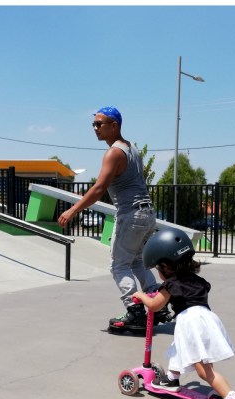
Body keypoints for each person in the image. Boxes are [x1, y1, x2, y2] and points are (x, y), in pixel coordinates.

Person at [132, 227, 235, 399]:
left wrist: (142, 296)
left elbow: (154, 306)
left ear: (166, 267)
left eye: (157, 269)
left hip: (191, 321)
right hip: (206, 318)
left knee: (203, 370)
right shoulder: (196, 281)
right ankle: (171, 377)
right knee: (179, 348)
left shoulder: (170, 284)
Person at [58, 106, 164, 331]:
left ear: (114, 126)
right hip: (147, 213)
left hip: (131, 214)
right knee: (136, 261)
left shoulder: (113, 153)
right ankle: (158, 304)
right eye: (93, 124)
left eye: (99, 124)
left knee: (119, 266)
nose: (95, 128)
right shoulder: (132, 148)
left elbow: (99, 188)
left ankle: (134, 312)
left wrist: (72, 210)